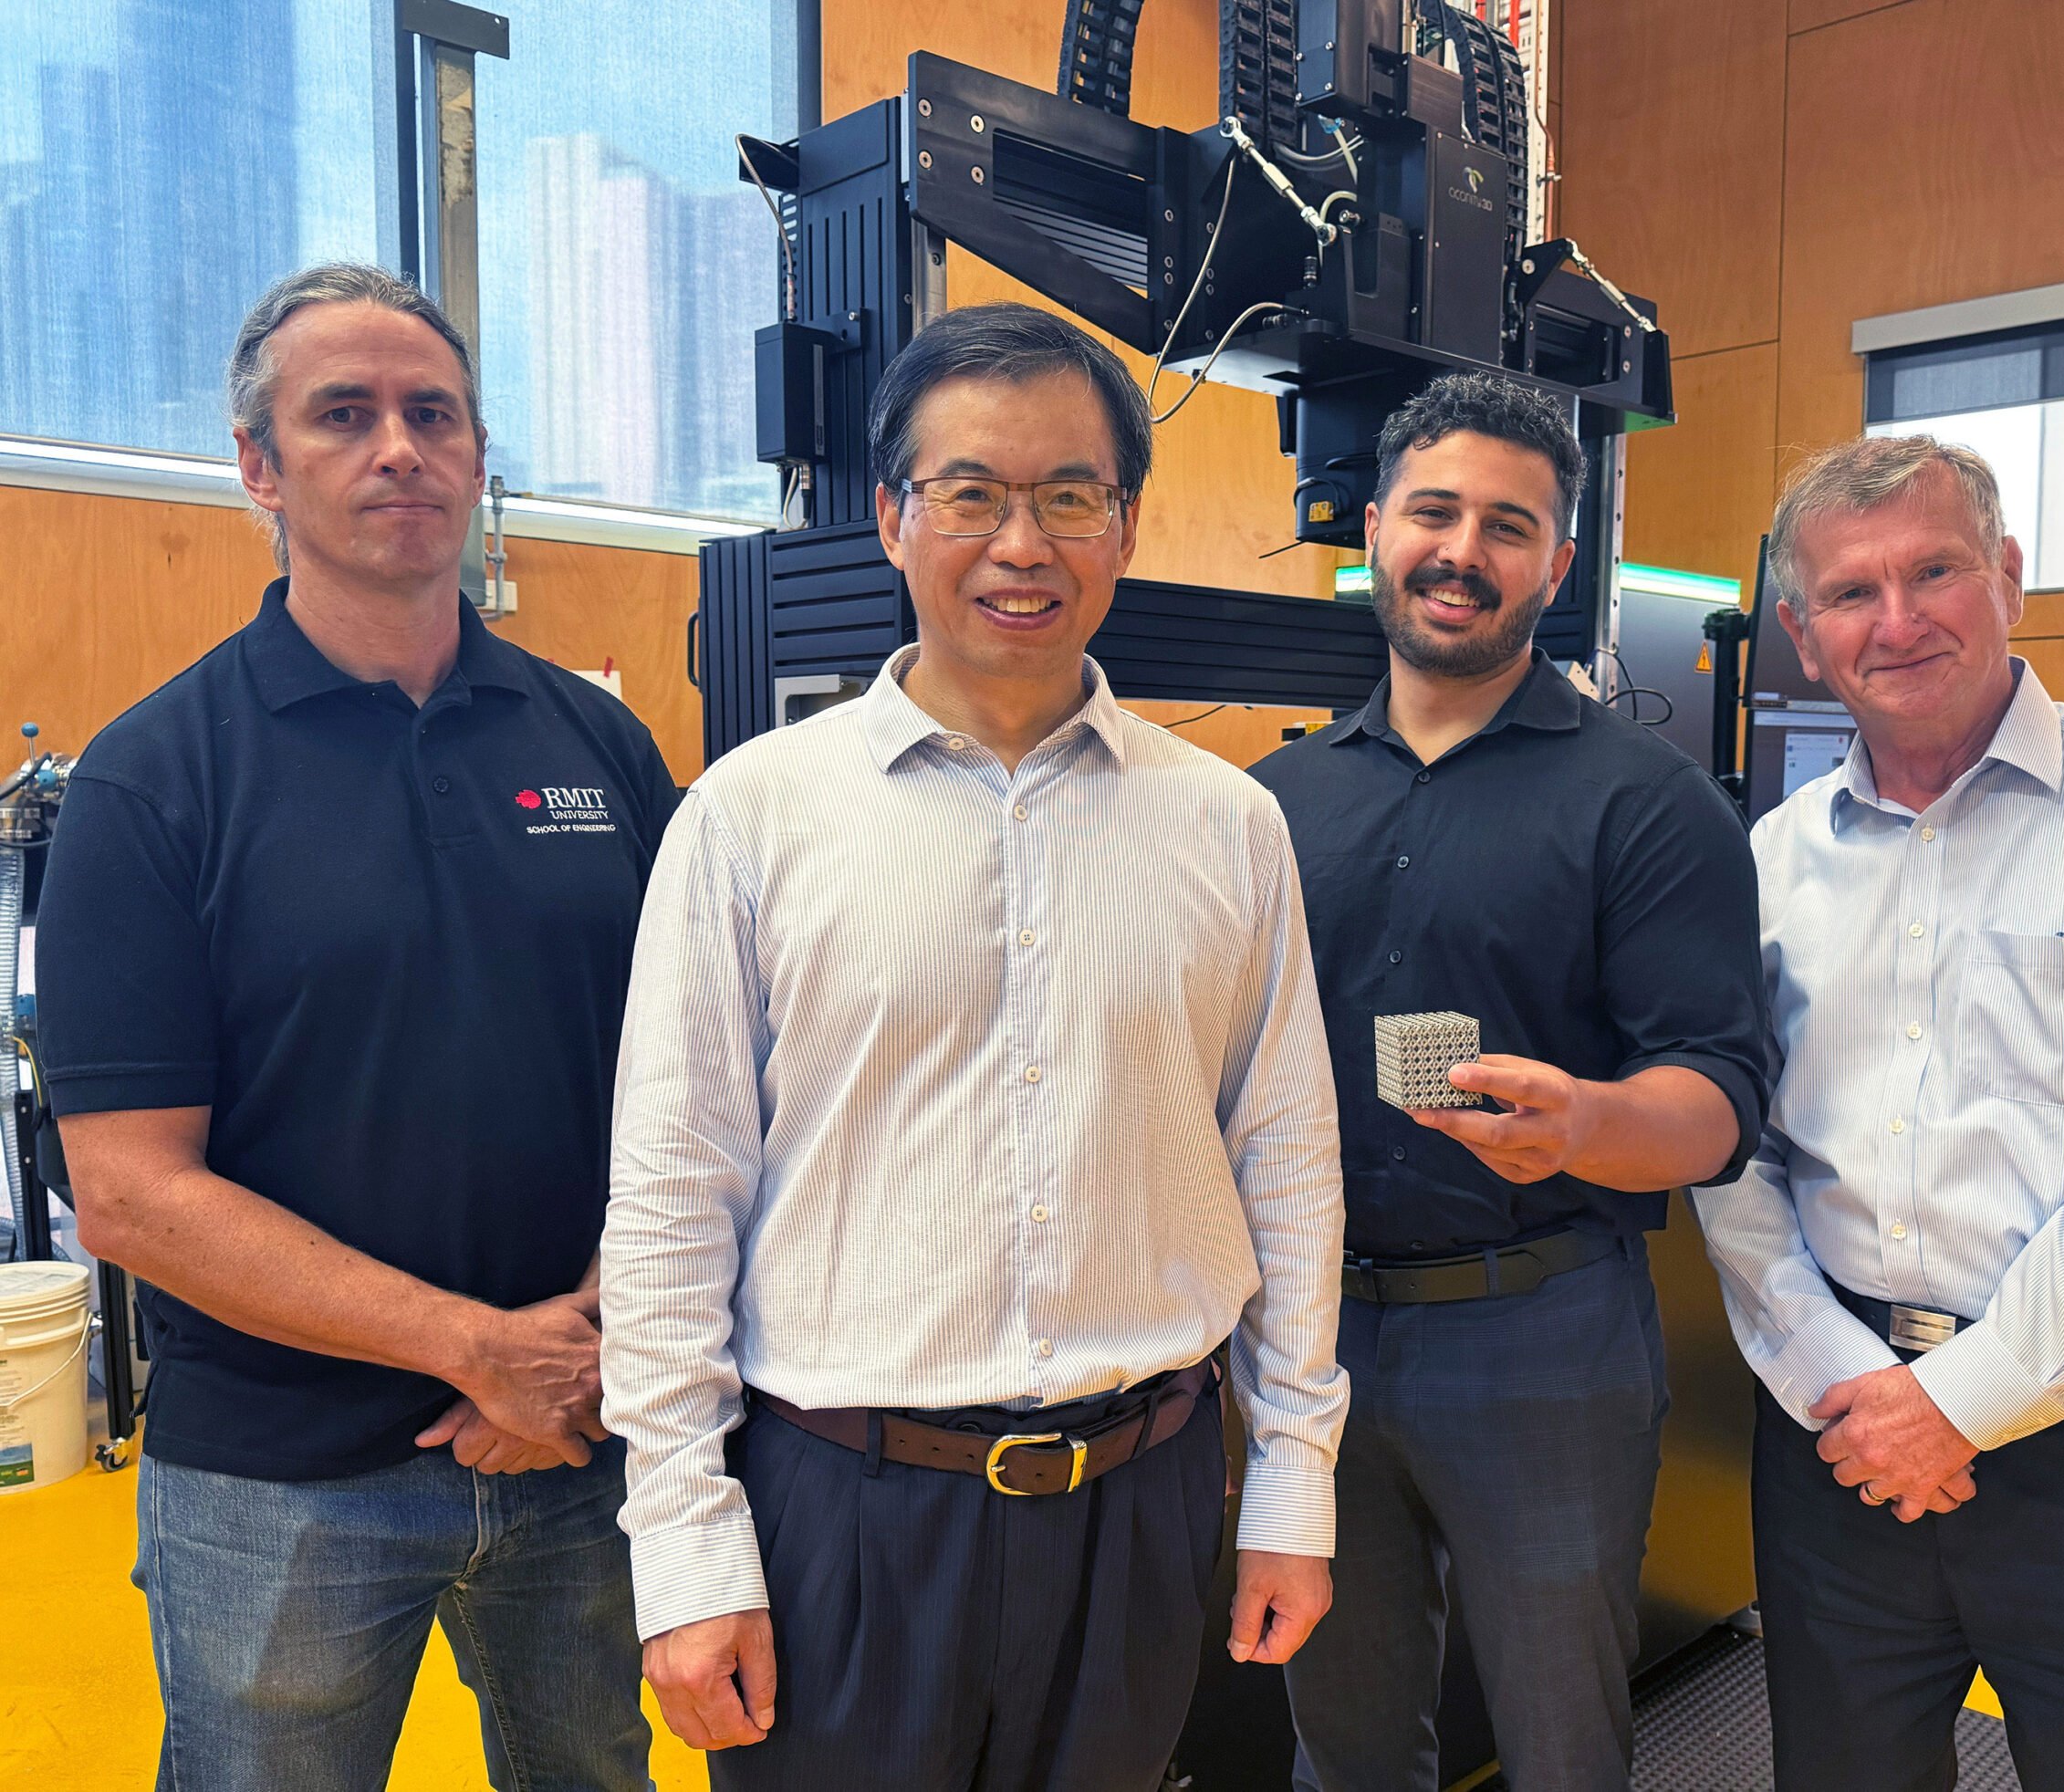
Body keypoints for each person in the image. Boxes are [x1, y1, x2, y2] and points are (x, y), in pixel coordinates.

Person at [597, 300, 1350, 1791]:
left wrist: (1291, 1488)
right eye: (973, 495)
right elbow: (675, 1198)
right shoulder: (752, 818)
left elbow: (1288, 1165)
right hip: (845, 1510)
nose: (1025, 545)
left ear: (1125, 527)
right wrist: (686, 1549)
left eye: (1071, 498)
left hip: (1143, 1503)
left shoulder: (1228, 827)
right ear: (892, 517)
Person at [37, 264, 677, 1791]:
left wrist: (583, 1344)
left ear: (474, 459)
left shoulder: (599, 744)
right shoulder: (154, 782)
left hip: (586, 1442)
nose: (400, 448)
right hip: (279, 1479)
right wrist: (479, 1351)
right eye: (344, 415)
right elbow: (128, 1192)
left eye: (432, 414)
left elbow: (696, 1082)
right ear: (259, 469)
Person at [1694, 433, 2064, 1792]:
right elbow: (1738, 1151)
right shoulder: (1772, 862)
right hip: (1838, 1433)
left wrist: (1960, 1405)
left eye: (1935, 571)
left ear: (2009, 576)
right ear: (1801, 629)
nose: (1895, 622)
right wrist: (1832, 1373)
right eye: (1850, 593)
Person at [1247, 370, 1770, 1792]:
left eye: (1507, 524)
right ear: (1376, 526)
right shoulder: (1271, 807)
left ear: (1556, 561)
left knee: (1560, 1742)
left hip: (1543, 1334)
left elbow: (1722, 1099)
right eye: (1434, 511)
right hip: (1312, 1340)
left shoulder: (1649, 805)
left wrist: (1589, 1125)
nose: (1461, 550)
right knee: (1343, 1739)